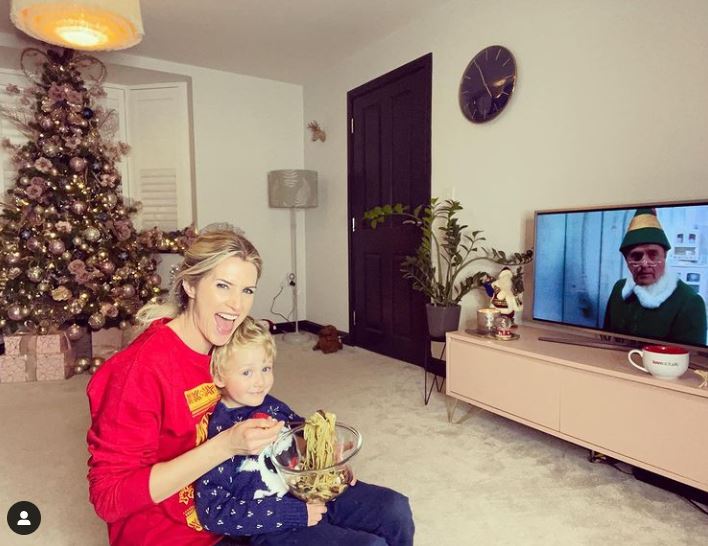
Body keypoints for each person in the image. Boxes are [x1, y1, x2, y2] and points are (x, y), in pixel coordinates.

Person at [86, 227, 284, 546]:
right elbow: (109, 498)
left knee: (386, 515)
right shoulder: (139, 369)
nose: (236, 305)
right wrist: (225, 446)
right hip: (167, 536)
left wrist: (308, 447)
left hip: (233, 512)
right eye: (223, 286)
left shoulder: (225, 347)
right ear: (190, 284)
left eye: (248, 290)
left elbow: (254, 404)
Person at [196, 317, 415, 546]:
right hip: (277, 527)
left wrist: (329, 457)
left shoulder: (271, 405)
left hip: (313, 493)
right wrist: (295, 513)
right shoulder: (219, 433)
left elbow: (303, 435)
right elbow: (214, 512)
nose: (260, 381)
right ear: (219, 376)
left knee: (395, 509)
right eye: (247, 373)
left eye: (265, 368)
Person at [603, 208, 707, 346]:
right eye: (636, 256)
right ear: (627, 260)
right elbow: (605, 339)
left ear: (665, 256)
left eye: (653, 254)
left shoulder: (689, 302)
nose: (645, 263)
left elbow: (692, 360)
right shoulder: (619, 289)